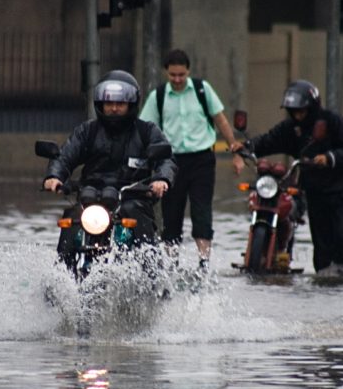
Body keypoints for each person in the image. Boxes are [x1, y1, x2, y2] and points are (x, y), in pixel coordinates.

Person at [44, 70, 176, 262]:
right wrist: (54, 176)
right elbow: (65, 155)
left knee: (136, 215)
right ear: (101, 105)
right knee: (72, 216)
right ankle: (61, 275)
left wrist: (162, 179)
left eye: (120, 104)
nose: (114, 108)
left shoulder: (146, 131)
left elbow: (166, 159)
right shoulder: (87, 131)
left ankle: (152, 275)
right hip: (91, 197)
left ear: (130, 105)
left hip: (132, 197)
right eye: (109, 103)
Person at [240, 79, 343, 274]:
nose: (298, 116)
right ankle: (324, 278)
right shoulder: (290, 129)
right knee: (322, 247)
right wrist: (246, 147)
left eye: (301, 111)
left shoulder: (331, 121)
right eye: (294, 112)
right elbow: (269, 140)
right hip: (315, 192)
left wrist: (329, 158)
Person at [138, 49, 243, 268]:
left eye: (181, 75)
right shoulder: (158, 96)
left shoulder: (202, 90)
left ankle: (203, 263)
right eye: (173, 75)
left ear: (188, 72)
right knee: (171, 214)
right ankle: (171, 265)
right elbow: (144, 129)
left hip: (202, 160)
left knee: (201, 211)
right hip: (171, 163)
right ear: (166, 72)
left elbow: (221, 120)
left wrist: (235, 151)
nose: (177, 80)